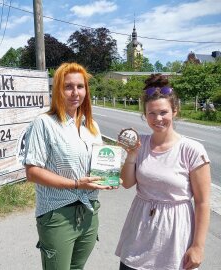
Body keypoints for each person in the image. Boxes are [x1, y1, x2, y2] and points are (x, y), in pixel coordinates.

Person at [23, 62, 117, 270]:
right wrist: (75, 184)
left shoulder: (91, 126)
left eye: (80, 86)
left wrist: (107, 178)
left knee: (77, 268)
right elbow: (32, 172)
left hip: (89, 212)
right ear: (58, 90)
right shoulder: (44, 123)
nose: (75, 92)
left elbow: (99, 164)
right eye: (68, 87)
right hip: (57, 214)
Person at [115, 74, 211, 270]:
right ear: (144, 114)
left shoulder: (191, 150)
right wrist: (131, 154)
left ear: (175, 111)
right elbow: (126, 183)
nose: (157, 119)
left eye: (163, 112)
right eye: (151, 113)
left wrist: (198, 246)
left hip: (174, 236)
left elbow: (202, 202)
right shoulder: (140, 143)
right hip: (139, 231)